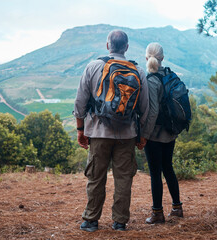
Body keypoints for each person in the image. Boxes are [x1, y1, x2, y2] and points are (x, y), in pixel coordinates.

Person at [73, 30, 149, 232]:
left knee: (96, 177)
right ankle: (120, 221)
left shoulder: (93, 66)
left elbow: (80, 102)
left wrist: (81, 129)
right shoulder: (138, 71)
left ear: (108, 46)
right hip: (127, 134)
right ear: (126, 47)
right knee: (123, 178)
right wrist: (143, 136)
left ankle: (91, 220)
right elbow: (145, 108)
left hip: (98, 132)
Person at [142, 42, 183, 224]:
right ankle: (177, 207)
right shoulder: (170, 75)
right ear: (162, 58)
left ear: (146, 57)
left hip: (155, 134)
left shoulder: (151, 79)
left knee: (155, 173)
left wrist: (144, 134)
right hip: (170, 132)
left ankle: (157, 213)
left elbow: (152, 112)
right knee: (168, 168)